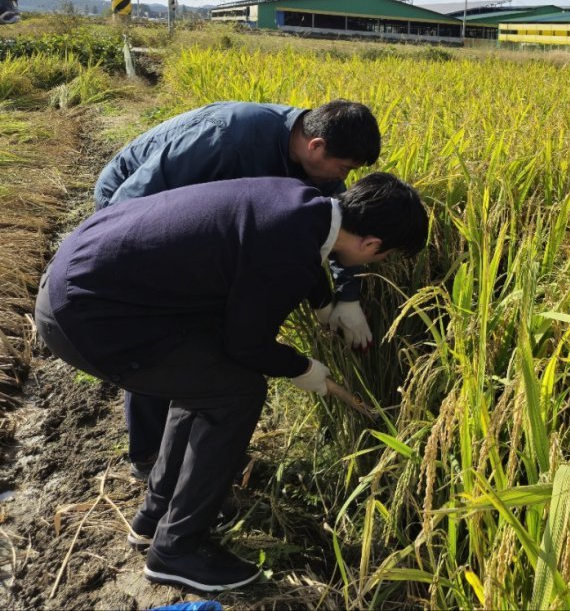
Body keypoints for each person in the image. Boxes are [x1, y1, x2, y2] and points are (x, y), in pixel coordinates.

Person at [35, 172, 428, 592]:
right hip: (88, 317)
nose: (376, 263)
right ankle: (177, 551)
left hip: (75, 278)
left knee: (207, 378)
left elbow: (293, 256)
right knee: (238, 390)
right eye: (382, 257)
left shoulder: (299, 201)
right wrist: (305, 369)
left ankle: (157, 516)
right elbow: (248, 345)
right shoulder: (289, 250)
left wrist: (325, 304)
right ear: (371, 245)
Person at [94, 99, 382, 478]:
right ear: (316, 147)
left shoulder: (320, 164)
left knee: (207, 335)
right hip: (134, 212)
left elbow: (333, 225)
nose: (341, 179)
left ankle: (195, 444)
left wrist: (344, 298)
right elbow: (135, 196)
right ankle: (149, 455)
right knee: (160, 336)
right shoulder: (227, 138)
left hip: (207, 233)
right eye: (343, 168)